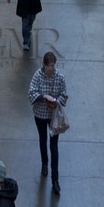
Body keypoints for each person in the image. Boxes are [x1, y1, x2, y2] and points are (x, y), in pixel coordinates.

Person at [28, 50, 67, 195]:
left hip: (53, 117)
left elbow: (64, 95)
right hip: (39, 115)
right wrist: (44, 97)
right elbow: (31, 93)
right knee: (42, 139)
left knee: (54, 146)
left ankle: (55, 179)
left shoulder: (60, 77)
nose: (51, 68)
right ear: (43, 65)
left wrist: (56, 101)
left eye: (52, 65)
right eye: (49, 66)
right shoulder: (37, 76)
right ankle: (44, 162)